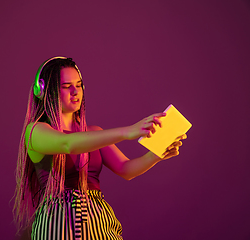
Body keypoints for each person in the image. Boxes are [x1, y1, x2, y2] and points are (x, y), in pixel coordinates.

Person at [13, 56, 186, 240]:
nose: (75, 91)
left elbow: (126, 169)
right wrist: (128, 131)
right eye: (66, 86)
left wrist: (157, 154)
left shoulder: (94, 133)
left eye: (78, 85)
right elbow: (68, 144)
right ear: (44, 90)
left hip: (99, 222)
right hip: (56, 223)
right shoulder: (35, 131)